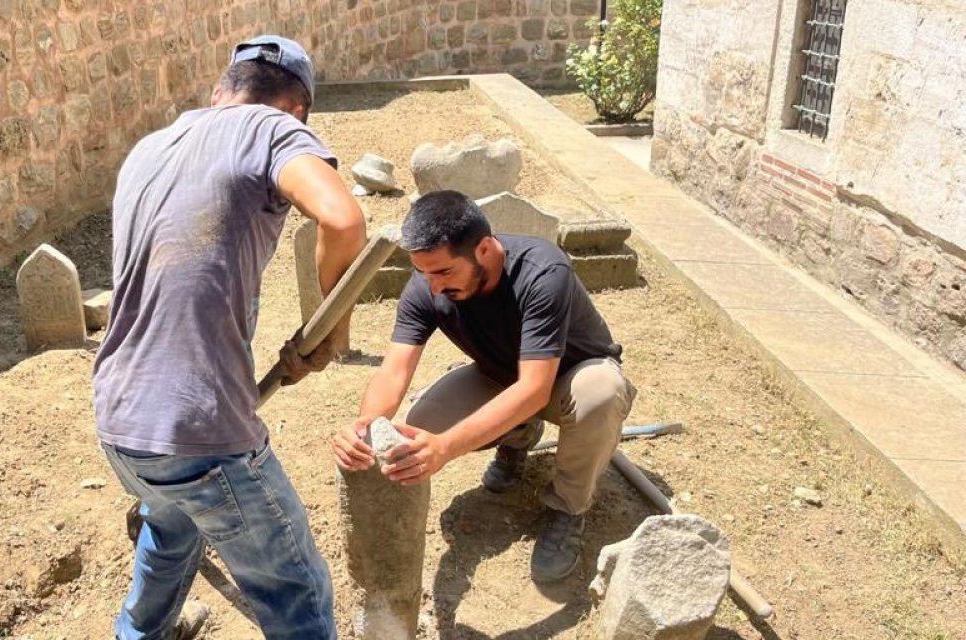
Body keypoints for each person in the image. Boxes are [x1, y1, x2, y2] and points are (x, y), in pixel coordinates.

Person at [93, 35, 366, 640]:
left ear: (220, 91)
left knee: (172, 526)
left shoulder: (150, 147)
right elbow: (344, 219)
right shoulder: (273, 129)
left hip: (120, 420)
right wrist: (331, 329)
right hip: (199, 434)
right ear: (297, 109)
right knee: (295, 590)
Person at [332, 190, 635, 582]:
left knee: (601, 393)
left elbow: (535, 389)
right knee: (421, 426)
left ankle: (567, 507)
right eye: (425, 273)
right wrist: (365, 427)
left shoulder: (542, 271)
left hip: (572, 379)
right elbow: (393, 372)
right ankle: (519, 437)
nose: (433, 286)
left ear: (486, 250)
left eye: (444, 272)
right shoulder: (427, 284)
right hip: (502, 376)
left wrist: (446, 448)